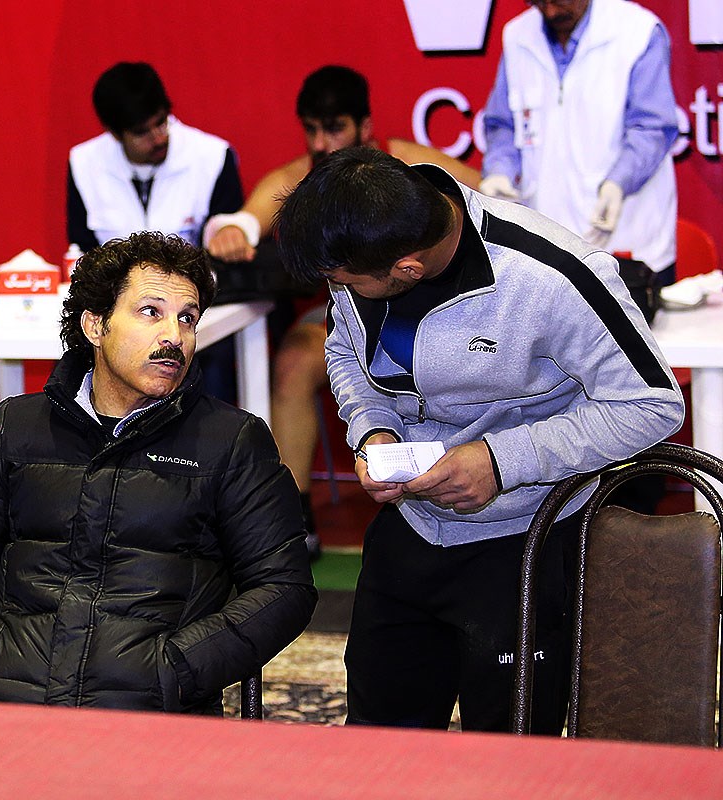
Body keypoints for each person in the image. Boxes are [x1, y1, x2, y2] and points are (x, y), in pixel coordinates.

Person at [275, 147, 683, 732]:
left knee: (510, 756)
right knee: (377, 742)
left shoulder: (552, 276)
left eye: (342, 283)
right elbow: (344, 349)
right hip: (411, 528)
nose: (334, 289)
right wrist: (373, 429)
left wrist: (502, 460)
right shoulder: (367, 236)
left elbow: (652, 405)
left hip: (526, 540)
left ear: (408, 269)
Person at [0, 231, 317, 714]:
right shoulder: (15, 427)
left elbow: (283, 589)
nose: (174, 337)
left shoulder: (231, 441)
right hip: (12, 706)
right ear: (95, 326)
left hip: (155, 718)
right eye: (151, 312)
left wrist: (173, 672)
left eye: (187, 318)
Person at [204, 66, 480, 556]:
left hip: (425, 311)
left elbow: (490, 199)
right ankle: (293, 524)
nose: (321, 143)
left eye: (334, 129)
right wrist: (233, 230)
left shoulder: (409, 164)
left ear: (364, 126)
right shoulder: (300, 178)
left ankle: (456, 504)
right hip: (340, 314)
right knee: (293, 362)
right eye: (311, 129)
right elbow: (245, 220)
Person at [67, 62, 244, 401]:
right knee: (76, 360)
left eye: (162, 122)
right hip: (121, 312)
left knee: (213, 364)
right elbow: (82, 252)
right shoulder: (84, 163)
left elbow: (226, 252)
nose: (159, 137)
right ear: (115, 133)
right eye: (142, 132)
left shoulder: (211, 156)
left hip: (197, 313)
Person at [481, 0, 678, 283]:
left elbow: (652, 128)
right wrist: (499, 171)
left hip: (630, 246)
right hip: (550, 252)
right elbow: (503, 124)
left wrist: (617, 184)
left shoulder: (637, 31)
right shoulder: (517, 35)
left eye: (558, 0)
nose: (550, 11)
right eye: (538, 1)